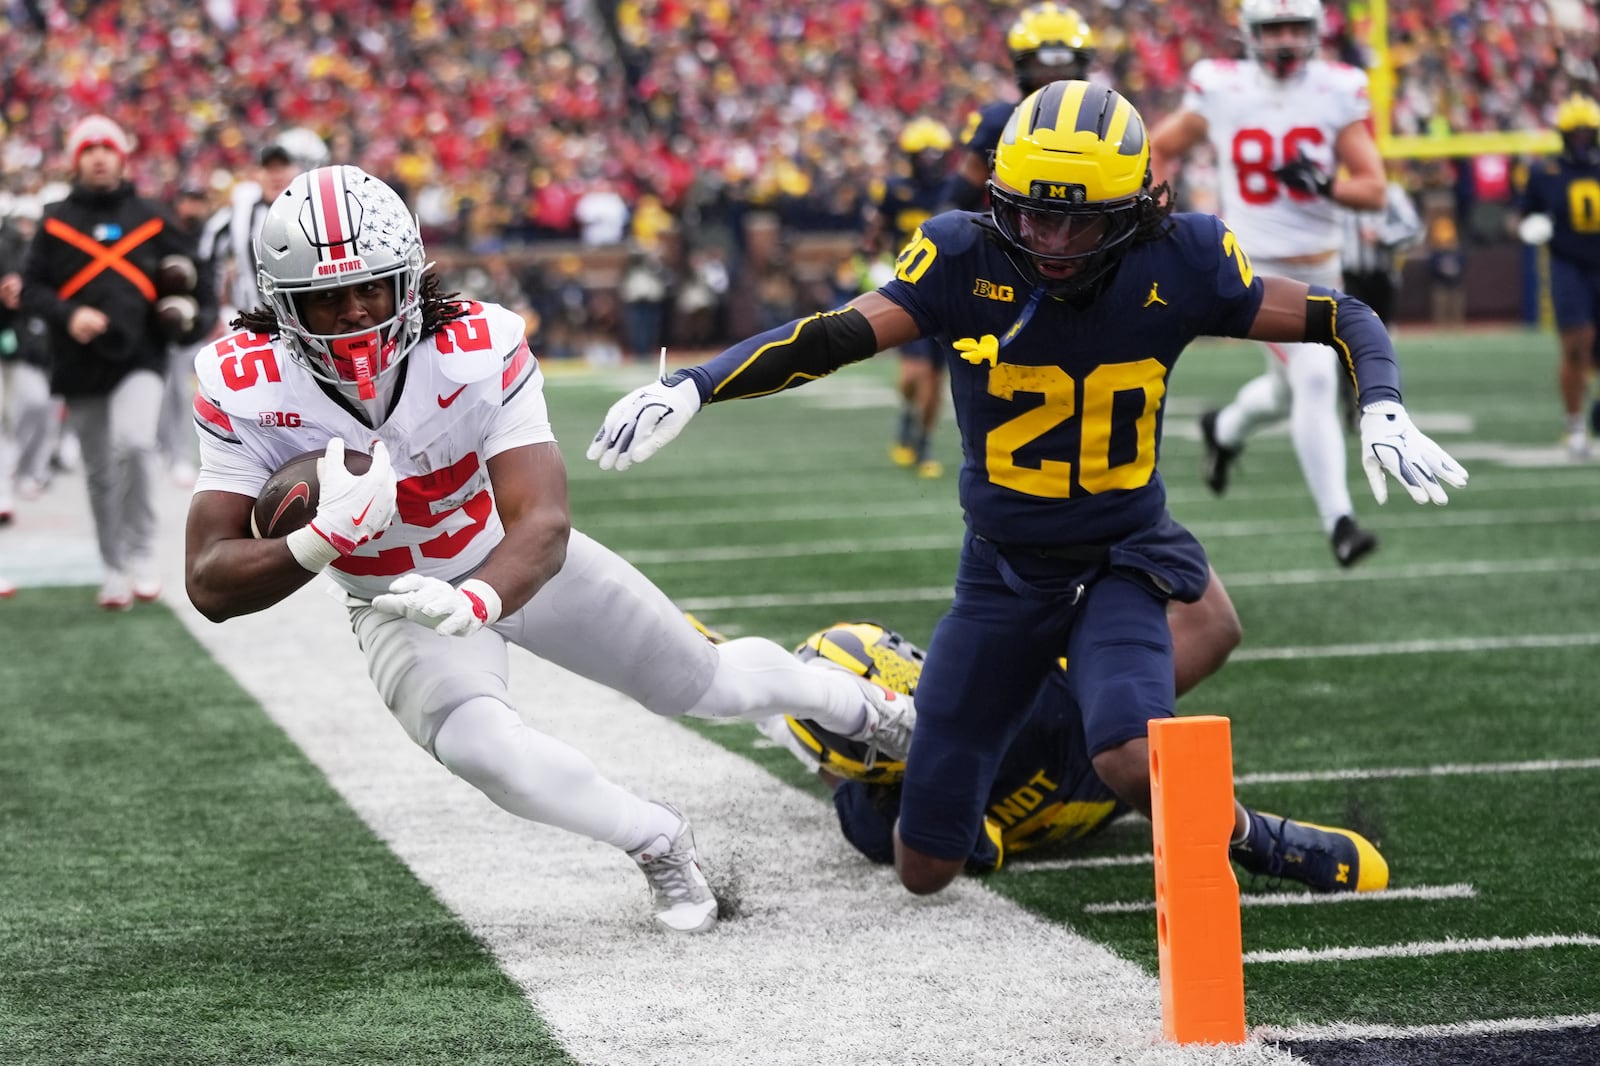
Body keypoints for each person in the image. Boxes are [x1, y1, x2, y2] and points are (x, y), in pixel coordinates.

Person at [588, 81, 1467, 896]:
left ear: (1132, 211)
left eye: (1077, 224)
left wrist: (1381, 405)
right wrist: (697, 383)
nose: (1049, 242)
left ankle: (1256, 838)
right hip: (1001, 573)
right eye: (1031, 217)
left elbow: (1344, 315)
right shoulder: (963, 255)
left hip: (1121, 556)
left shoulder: (1184, 259)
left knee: (1131, 750)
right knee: (924, 867)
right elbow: (834, 335)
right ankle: (970, 772)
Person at [181, 165, 917, 935]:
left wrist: (475, 597)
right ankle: (656, 838)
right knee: (480, 748)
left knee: (708, 687)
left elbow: (544, 522)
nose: (356, 315)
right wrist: (321, 539)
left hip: (511, 560)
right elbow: (209, 581)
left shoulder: (477, 342)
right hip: (395, 601)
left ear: (410, 277)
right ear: (283, 304)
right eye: (327, 298)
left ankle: (865, 707)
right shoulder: (242, 381)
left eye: (371, 288)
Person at [743, 618, 1387, 891]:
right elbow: (970, 848)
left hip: (1092, 749)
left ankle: (1249, 834)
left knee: (1207, 634)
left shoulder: (1008, 679)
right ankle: (1258, 840)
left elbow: (1214, 630)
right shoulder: (878, 816)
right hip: (1078, 780)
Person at [1148, 0, 1389, 567]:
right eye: (1273, 28)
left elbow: (1374, 188)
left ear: (1313, 32)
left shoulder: (1338, 89)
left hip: (1322, 267)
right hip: (1254, 268)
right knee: (1313, 380)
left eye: (1294, 28)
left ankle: (1224, 429)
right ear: (1251, 33)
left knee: (1285, 393)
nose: (1283, 40)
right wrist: (1155, 218)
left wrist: (1327, 185)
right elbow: (1159, 146)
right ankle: (1341, 523)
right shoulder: (1223, 88)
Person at [20, 115, 215, 608]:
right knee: (98, 471)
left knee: (134, 444)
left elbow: (198, 273)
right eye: (89, 149)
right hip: (77, 359)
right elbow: (32, 289)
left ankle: (144, 552)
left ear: (122, 157)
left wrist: (193, 321)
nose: (100, 156)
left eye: (107, 147)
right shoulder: (55, 219)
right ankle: (112, 566)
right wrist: (69, 315)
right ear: (76, 159)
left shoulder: (151, 214)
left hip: (139, 355)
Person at [941, 2, 1097, 214]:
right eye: (1040, 65)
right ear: (1021, 63)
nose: (1054, 75)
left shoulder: (1104, 122)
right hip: (1009, 237)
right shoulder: (998, 123)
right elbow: (957, 203)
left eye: (1064, 65)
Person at [868, 117, 957, 478]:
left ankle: (923, 444)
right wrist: (873, 262)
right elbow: (875, 234)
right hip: (908, 287)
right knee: (913, 374)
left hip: (948, 290)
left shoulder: (955, 188)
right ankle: (907, 415)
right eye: (926, 154)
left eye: (937, 154)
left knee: (936, 378)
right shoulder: (894, 190)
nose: (932, 161)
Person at [1513, 93, 1600, 460]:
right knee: (1576, 344)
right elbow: (1519, 216)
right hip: (1567, 264)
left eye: (1587, 134)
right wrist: (1530, 226)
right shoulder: (1545, 173)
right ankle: (1575, 425)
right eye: (1575, 135)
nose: (1581, 141)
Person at [197, 129, 329, 330]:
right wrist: (212, 308)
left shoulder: (310, 208)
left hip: (306, 321)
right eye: (268, 168)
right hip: (253, 320)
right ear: (257, 174)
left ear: (296, 170)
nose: (275, 175)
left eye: (282, 167)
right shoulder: (242, 209)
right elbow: (208, 252)